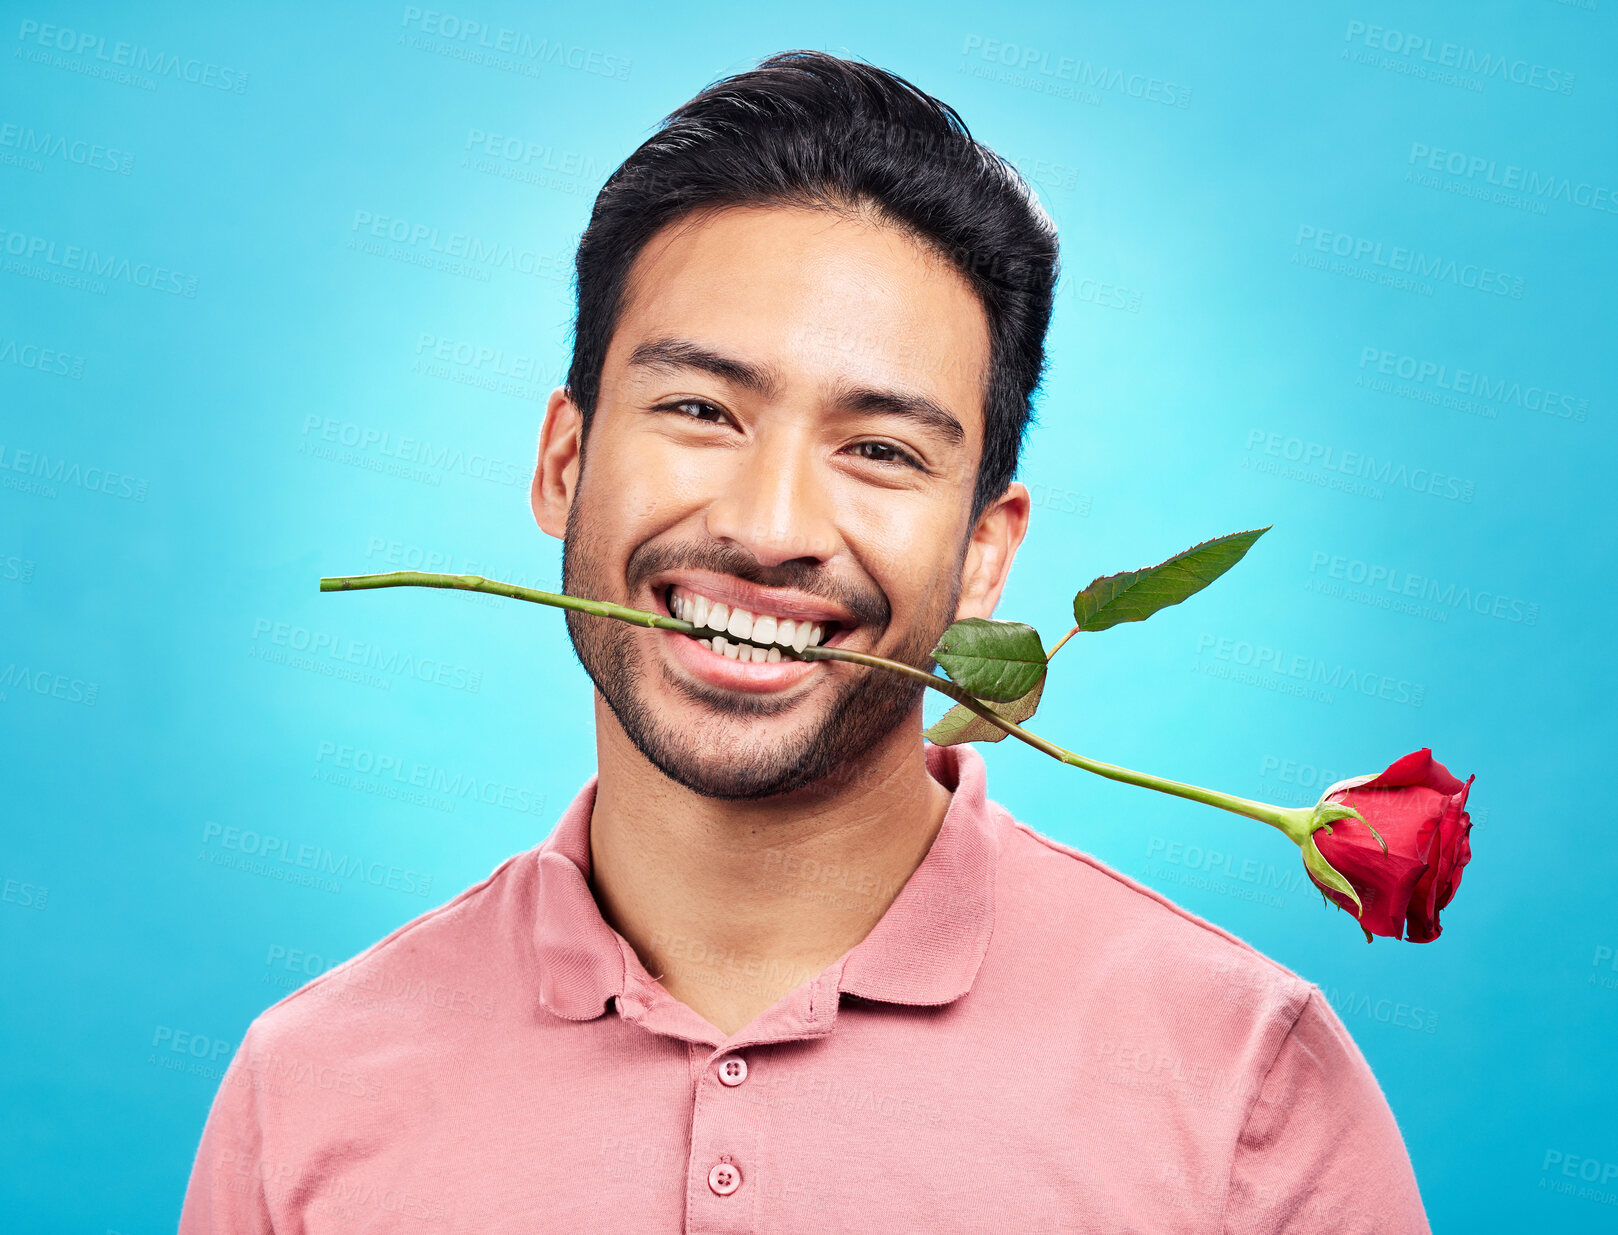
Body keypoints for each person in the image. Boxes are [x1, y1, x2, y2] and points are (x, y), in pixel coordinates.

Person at [180, 50, 1430, 1232]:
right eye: (699, 408)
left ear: (984, 554)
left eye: (879, 448)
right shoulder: (306, 1087)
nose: (768, 527)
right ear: (563, 462)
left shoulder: (1245, 1084)